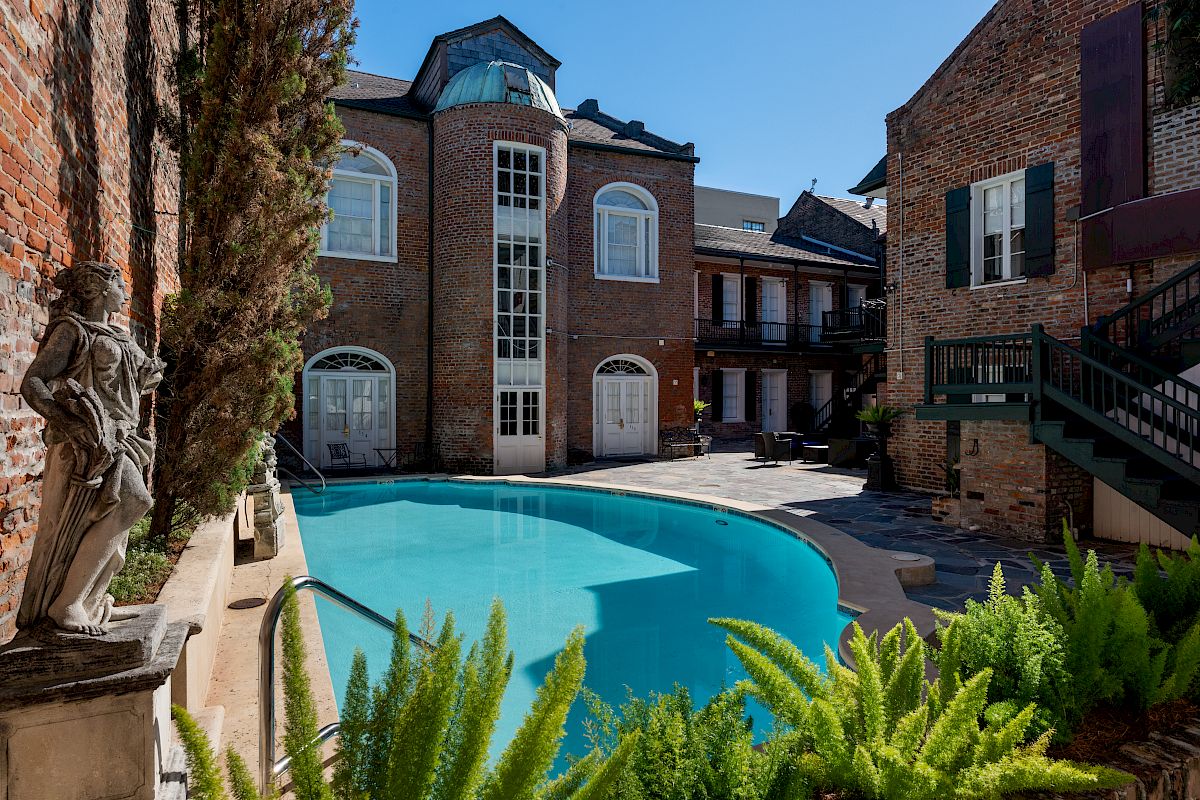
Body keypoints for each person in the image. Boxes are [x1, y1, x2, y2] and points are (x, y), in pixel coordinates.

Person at [17, 261, 164, 634]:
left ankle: (93, 600)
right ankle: (66, 603)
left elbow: (131, 383)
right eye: (119, 284)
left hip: (122, 437)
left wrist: (147, 376)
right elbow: (33, 382)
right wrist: (68, 423)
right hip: (91, 442)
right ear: (98, 290)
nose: (125, 292)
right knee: (133, 501)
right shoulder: (72, 330)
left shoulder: (119, 333)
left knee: (113, 517)